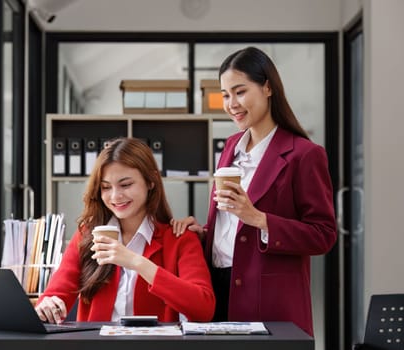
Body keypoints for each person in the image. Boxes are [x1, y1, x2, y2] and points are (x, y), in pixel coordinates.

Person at [171, 47, 337, 336]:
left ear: (268, 87)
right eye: (225, 95)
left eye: (240, 91)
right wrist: (204, 233)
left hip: (267, 300)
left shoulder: (304, 154)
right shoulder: (230, 148)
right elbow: (232, 225)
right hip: (217, 289)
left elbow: (323, 235)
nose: (231, 103)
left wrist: (260, 219)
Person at [36, 137, 215, 324]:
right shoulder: (87, 235)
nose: (115, 196)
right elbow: (55, 295)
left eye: (126, 185)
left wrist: (135, 262)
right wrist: (48, 305)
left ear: (150, 181)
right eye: (105, 187)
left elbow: (203, 309)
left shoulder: (179, 238)